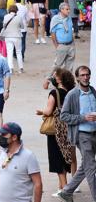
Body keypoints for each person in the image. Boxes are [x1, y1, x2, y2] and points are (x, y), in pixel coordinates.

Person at [57, 66, 96, 201]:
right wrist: (83, 118)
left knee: (87, 165)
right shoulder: (73, 94)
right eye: (83, 75)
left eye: (88, 75)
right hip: (82, 135)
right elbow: (64, 116)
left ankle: (66, 191)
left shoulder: (93, 91)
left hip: (94, 133)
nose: (86, 77)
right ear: (78, 77)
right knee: (91, 167)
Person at [36, 68, 75, 196]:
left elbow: (48, 111)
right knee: (65, 156)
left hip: (56, 130)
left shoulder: (55, 92)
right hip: (68, 127)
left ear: (59, 79)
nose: (52, 78)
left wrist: (40, 112)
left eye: (54, 76)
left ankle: (65, 190)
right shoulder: (71, 92)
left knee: (57, 159)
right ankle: (61, 188)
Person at [0, 122, 43, 202]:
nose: (1, 137)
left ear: (14, 137)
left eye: (4, 134)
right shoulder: (3, 153)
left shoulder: (28, 156)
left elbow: (38, 184)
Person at [51, 3, 75, 72]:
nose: (69, 11)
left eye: (69, 9)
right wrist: (56, 46)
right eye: (67, 9)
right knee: (57, 66)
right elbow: (53, 33)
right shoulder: (55, 19)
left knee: (69, 67)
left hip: (71, 45)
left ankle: (67, 81)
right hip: (61, 45)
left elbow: (71, 29)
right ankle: (48, 80)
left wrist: (73, 43)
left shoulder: (69, 18)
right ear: (61, 10)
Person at [2, 5, 26, 74]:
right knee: (18, 52)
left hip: (8, 36)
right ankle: (21, 68)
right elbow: (22, 26)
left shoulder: (6, 16)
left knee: (9, 52)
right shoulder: (19, 17)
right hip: (17, 36)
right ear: (16, 10)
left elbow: (4, 26)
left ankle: (10, 68)